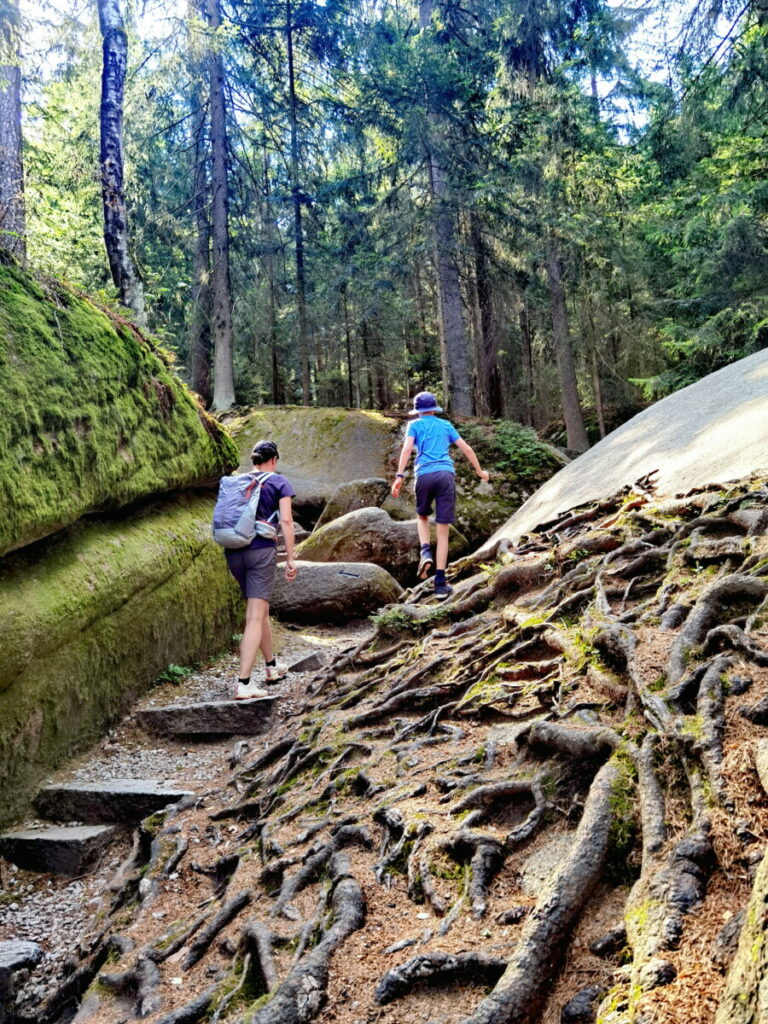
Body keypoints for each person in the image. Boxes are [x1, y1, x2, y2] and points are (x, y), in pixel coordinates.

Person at [391, 391, 490, 599]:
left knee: (422, 517)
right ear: (434, 409)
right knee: (443, 530)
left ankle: (425, 551)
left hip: (424, 475)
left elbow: (407, 448)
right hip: (445, 475)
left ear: (418, 412)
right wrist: (480, 472)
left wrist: (399, 476)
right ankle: (440, 583)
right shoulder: (445, 425)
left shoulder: (414, 425)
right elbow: (466, 448)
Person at [224, 439, 297, 700]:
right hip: (260, 553)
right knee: (255, 616)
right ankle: (244, 682)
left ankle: (271, 666)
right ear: (274, 460)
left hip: (233, 552)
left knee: (261, 610)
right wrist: (290, 558)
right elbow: (286, 521)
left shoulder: (237, 482)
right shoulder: (278, 482)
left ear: (253, 459)